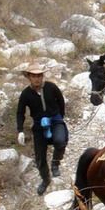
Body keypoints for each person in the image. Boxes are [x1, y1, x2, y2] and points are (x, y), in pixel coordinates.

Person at [16, 63, 68, 195]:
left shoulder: (51, 87)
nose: (37, 78)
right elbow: (20, 112)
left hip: (55, 120)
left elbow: (61, 101)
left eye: (39, 75)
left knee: (61, 141)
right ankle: (45, 179)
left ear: (42, 76)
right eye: (34, 76)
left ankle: (55, 162)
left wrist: (60, 117)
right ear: (29, 77)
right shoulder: (26, 94)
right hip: (39, 125)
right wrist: (20, 130)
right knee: (39, 157)